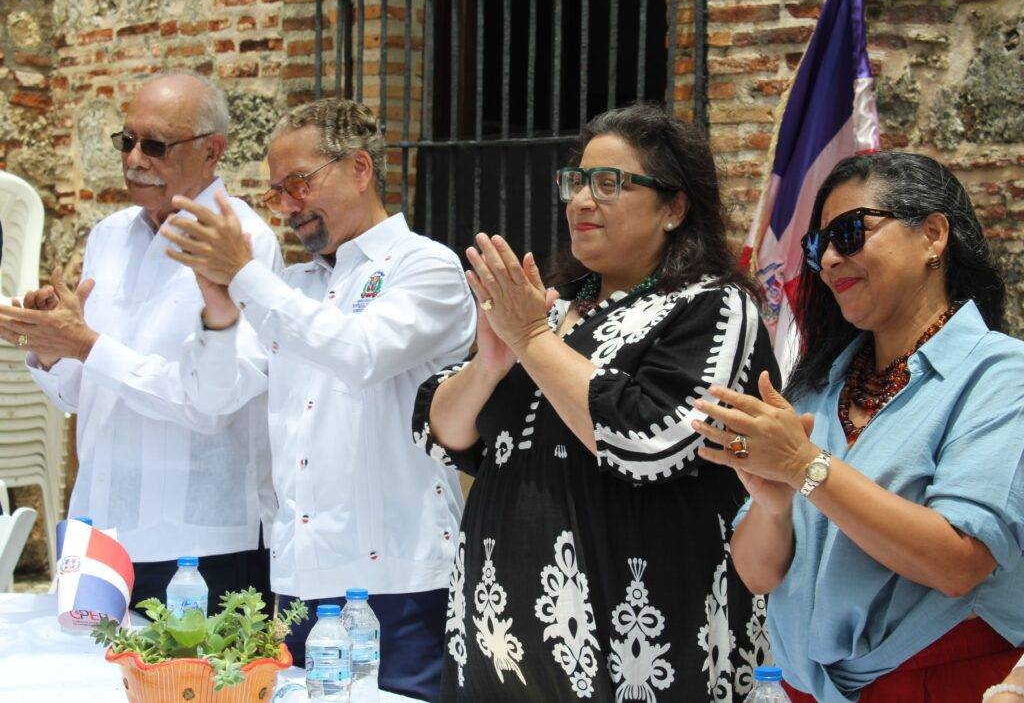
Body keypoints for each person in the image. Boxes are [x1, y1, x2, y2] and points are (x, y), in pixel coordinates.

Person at [411, 103, 779, 701]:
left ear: (674, 208)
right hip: (501, 645)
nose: (581, 201)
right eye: (575, 181)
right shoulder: (548, 308)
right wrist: (491, 364)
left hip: (645, 646)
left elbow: (649, 441)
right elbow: (444, 431)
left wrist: (530, 341)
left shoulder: (712, 307)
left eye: (609, 184)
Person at [160, 98, 475, 701]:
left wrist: (246, 277)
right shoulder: (292, 288)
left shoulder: (424, 266)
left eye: (299, 184)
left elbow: (360, 351)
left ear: (360, 168)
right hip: (299, 577)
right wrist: (221, 313)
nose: (288, 206)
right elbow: (216, 394)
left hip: (398, 577)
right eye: (277, 193)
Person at [693, 152, 1024, 702]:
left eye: (849, 233)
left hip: (943, 683)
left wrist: (805, 467)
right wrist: (775, 503)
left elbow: (957, 561)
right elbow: (757, 575)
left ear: (933, 236)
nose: (827, 260)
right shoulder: (817, 386)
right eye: (816, 245)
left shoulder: (999, 374)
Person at [0, 71, 282, 608]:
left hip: (200, 544)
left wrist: (86, 344)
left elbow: (211, 403)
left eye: (155, 146)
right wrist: (54, 348)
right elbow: (87, 396)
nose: (134, 159)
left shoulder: (243, 244)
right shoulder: (109, 236)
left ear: (212, 151)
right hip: (100, 533)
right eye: (126, 141)